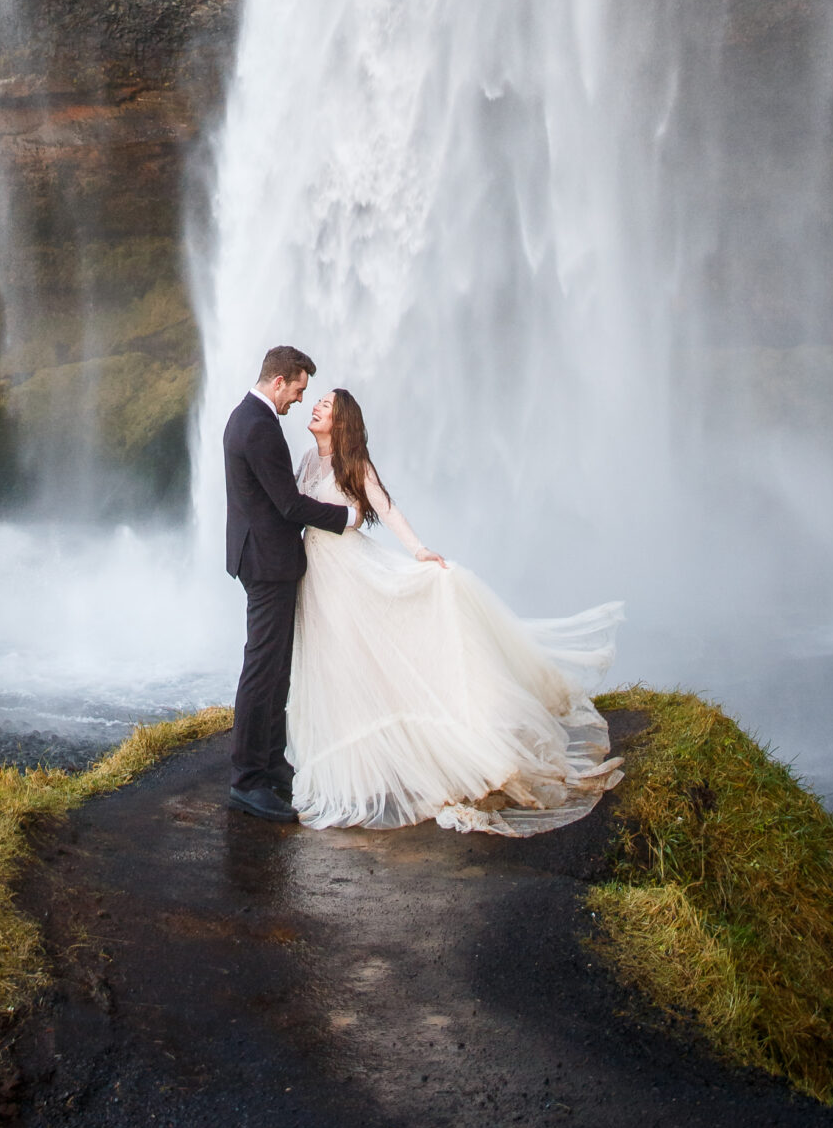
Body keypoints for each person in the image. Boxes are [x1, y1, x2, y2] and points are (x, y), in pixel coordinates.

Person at [286, 387, 623, 833]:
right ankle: (357, 764)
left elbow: (386, 509)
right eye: (317, 402)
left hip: (350, 568)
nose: (316, 407)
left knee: (364, 653)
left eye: (325, 404)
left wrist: (420, 550)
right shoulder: (308, 460)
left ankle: (411, 753)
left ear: (342, 420)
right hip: (318, 575)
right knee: (333, 662)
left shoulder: (355, 463)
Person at [222, 344, 351, 821]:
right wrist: (348, 516)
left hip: (262, 558)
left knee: (275, 668)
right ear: (279, 381)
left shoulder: (249, 419)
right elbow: (290, 506)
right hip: (267, 562)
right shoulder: (257, 426)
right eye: (298, 390)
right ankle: (247, 780)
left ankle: (272, 763)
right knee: (261, 671)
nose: (299, 400)